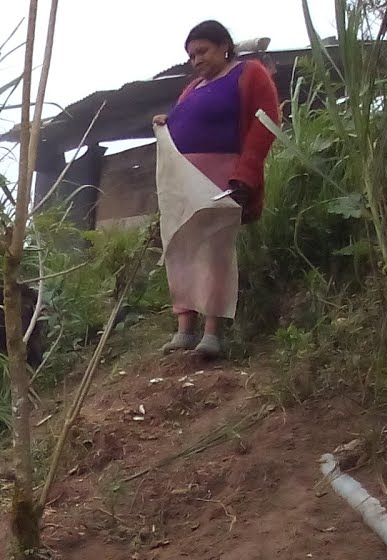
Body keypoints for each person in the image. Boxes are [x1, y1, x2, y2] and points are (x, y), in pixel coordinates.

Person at [151, 20, 280, 359]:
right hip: (183, 183)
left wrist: (246, 175)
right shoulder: (191, 89)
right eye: (191, 55)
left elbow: (265, 123)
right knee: (181, 248)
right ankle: (184, 329)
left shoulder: (249, 73)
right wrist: (168, 123)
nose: (196, 60)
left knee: (214, 250)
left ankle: (212, 334)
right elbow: (182, 125)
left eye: (202, 51)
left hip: (220, 177)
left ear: (225, 46)